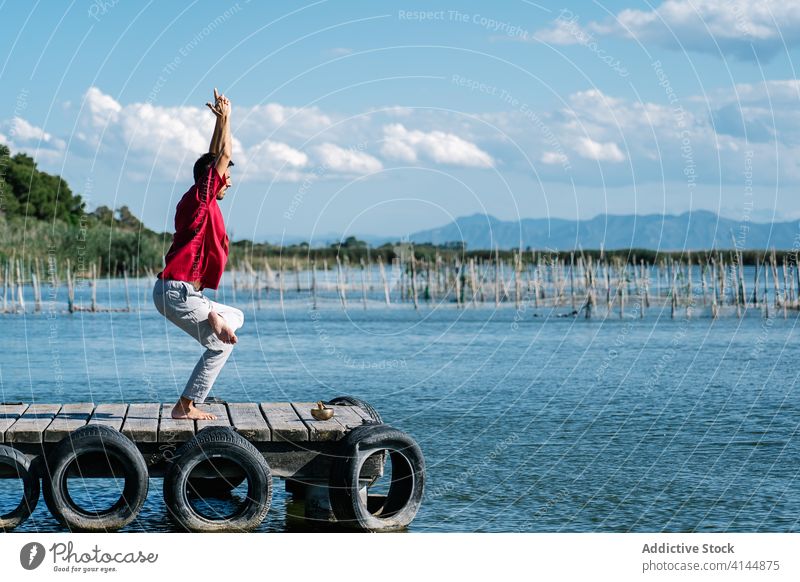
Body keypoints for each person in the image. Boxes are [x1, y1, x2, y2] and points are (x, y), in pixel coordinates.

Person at [152, 88, 241, 420]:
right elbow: (221, 155)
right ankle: (185, 406)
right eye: (227, 176)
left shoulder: (198, 200)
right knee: (220, 346)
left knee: (237, 318)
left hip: (180, 292)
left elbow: (215, 153)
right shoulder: (201, 200)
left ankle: (213, 315)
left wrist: (219, 121)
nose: (229, 182)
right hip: (177, 292)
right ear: (212, 179)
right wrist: (229, 119)